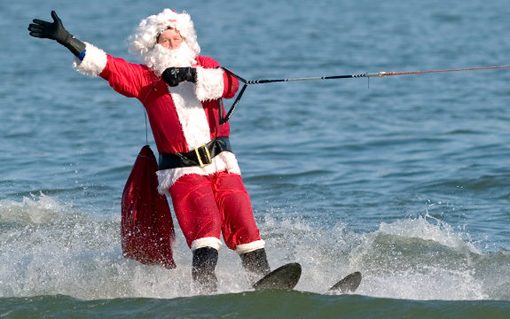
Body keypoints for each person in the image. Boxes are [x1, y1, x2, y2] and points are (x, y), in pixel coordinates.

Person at [28, 9, 271, 293]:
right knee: (206, 226)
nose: (172, 44)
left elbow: (228, 85)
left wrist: (191, 74)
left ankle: (266, 282)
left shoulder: (205, 66)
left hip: (222, 165)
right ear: (152, 47)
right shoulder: (145, 80)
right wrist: (66, 39)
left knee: (243, 221)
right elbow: (106, 65)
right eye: (164, 41)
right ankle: (205, 291)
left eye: (176, 38)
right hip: (183, 172)